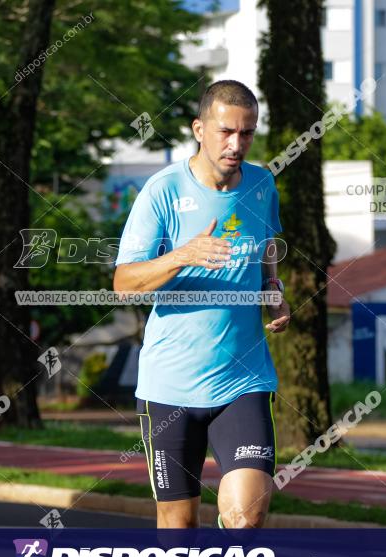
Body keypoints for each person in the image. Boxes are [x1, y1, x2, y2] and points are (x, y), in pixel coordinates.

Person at [113, 80, 290, 528]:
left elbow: (267, 244)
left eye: (247, 133)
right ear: (198, 128)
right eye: (225, 131)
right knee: (179, 528)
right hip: (169, 385)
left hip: (242, 379)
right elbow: (123, 283)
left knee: (246, 516)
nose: (237, 144)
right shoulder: (163, 190)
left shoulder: (262, 183)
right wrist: (183, 255)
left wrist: (273, 290)